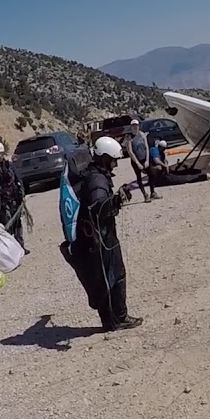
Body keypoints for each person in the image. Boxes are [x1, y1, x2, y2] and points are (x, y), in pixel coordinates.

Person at [63, 136, 143, 331]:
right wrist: (116, 201)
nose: (115, 164)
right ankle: (118, 318)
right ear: (105, 158)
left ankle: (110, 320)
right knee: (114, 275)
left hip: (95, 237)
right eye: (113, 160)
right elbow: (98, 206)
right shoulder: (97, 179)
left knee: (104, 277)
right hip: (101, 237)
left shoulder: (92, 175)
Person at [123, 120, 160, 202]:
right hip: (136, 160)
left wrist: (147, 160)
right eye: (133, 125)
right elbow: (130, 152)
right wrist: (137, 163)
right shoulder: (129, 137)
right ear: (131, 126)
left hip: (144, 158)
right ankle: (145, 195)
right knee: (139, 178)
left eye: (136, 125)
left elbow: (146, 147)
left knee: (151, 174)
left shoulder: (142, 134)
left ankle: (152, 192)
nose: (135, 127)